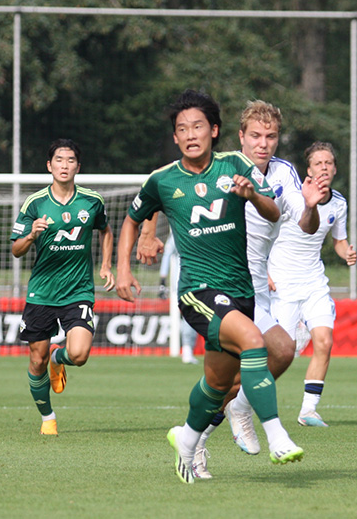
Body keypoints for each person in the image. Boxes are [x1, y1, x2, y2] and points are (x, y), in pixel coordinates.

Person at [116, 89, 304, 485]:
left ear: (214, 130)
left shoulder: (235, 165)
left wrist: (251, 194)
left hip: (242, 291)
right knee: (255, 342)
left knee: (218, 384)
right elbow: (135, 217)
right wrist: (122, 268)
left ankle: (186, 439)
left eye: (198, 126)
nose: (190, 134)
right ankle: (277, 435)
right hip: (197, 293)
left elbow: (273, 213)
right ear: (175, 137)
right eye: (181, 128)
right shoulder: (163, 179)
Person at [11, 139, 116, 436]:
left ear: (78, 167)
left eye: (70, 160)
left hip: (78, 290)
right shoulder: (35, 204)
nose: (64, 165)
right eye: (59, 160)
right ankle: (48, 417)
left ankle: (61, 358)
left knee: (80, 354)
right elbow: (16, 250)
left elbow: (106, 231)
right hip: (42, 292)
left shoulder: (92, 201)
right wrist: (31, 235)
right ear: (49, 165)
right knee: (36, 359)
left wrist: (106, 266)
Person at [267, 141, 357, 426]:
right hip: (281, 283)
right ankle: (242, 398)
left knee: (324, 341)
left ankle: (308, 410)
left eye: (328, 163)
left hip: (314, 282)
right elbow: (266, 233)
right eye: (318, 163)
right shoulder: (292, 196)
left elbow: (339, 241)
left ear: (335, 168)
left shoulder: (339, 203)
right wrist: (264, 272)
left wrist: (347, 253)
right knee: (281, 352)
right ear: (308, 169)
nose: (324, 168)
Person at [158, 233, 199, 365]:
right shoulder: (181, 232)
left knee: (191, 315)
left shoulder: (178, 232)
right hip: (189, 281)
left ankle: (188, 349)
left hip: (186, 282)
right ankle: (187, 349)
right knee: (191, 315)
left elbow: (167, 255)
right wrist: (163, 280)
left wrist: (162, 280)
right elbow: (167, 254)